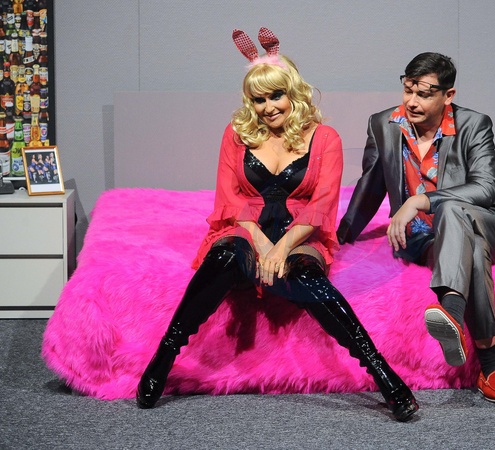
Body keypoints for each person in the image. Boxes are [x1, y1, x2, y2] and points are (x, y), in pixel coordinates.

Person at [136, 28, 419, 422]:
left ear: (293, 93)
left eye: (276, 95)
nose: (268, 107)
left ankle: (382, 373)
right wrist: (261, 245)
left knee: (305, 275)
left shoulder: (325, 138)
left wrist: (282, 247)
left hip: (300, 233)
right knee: (224, 258)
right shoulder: (236, 134)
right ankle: (164, 358)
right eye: (259, 99)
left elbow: (322, 206)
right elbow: (229, 199)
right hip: (244, 229)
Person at [337, 52, 495, 403]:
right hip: (427, 238)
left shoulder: (474, 124)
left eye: (423, 94)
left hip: (487, 222)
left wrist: (420, 200)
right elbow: (370, 186)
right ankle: (491, 364)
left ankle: (451, 310)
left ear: (448, 95)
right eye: (408, 90)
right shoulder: (384, 124)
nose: (412, 101)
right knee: (472, 251)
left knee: (453, 209)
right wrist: (339, 237)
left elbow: (485, 188)